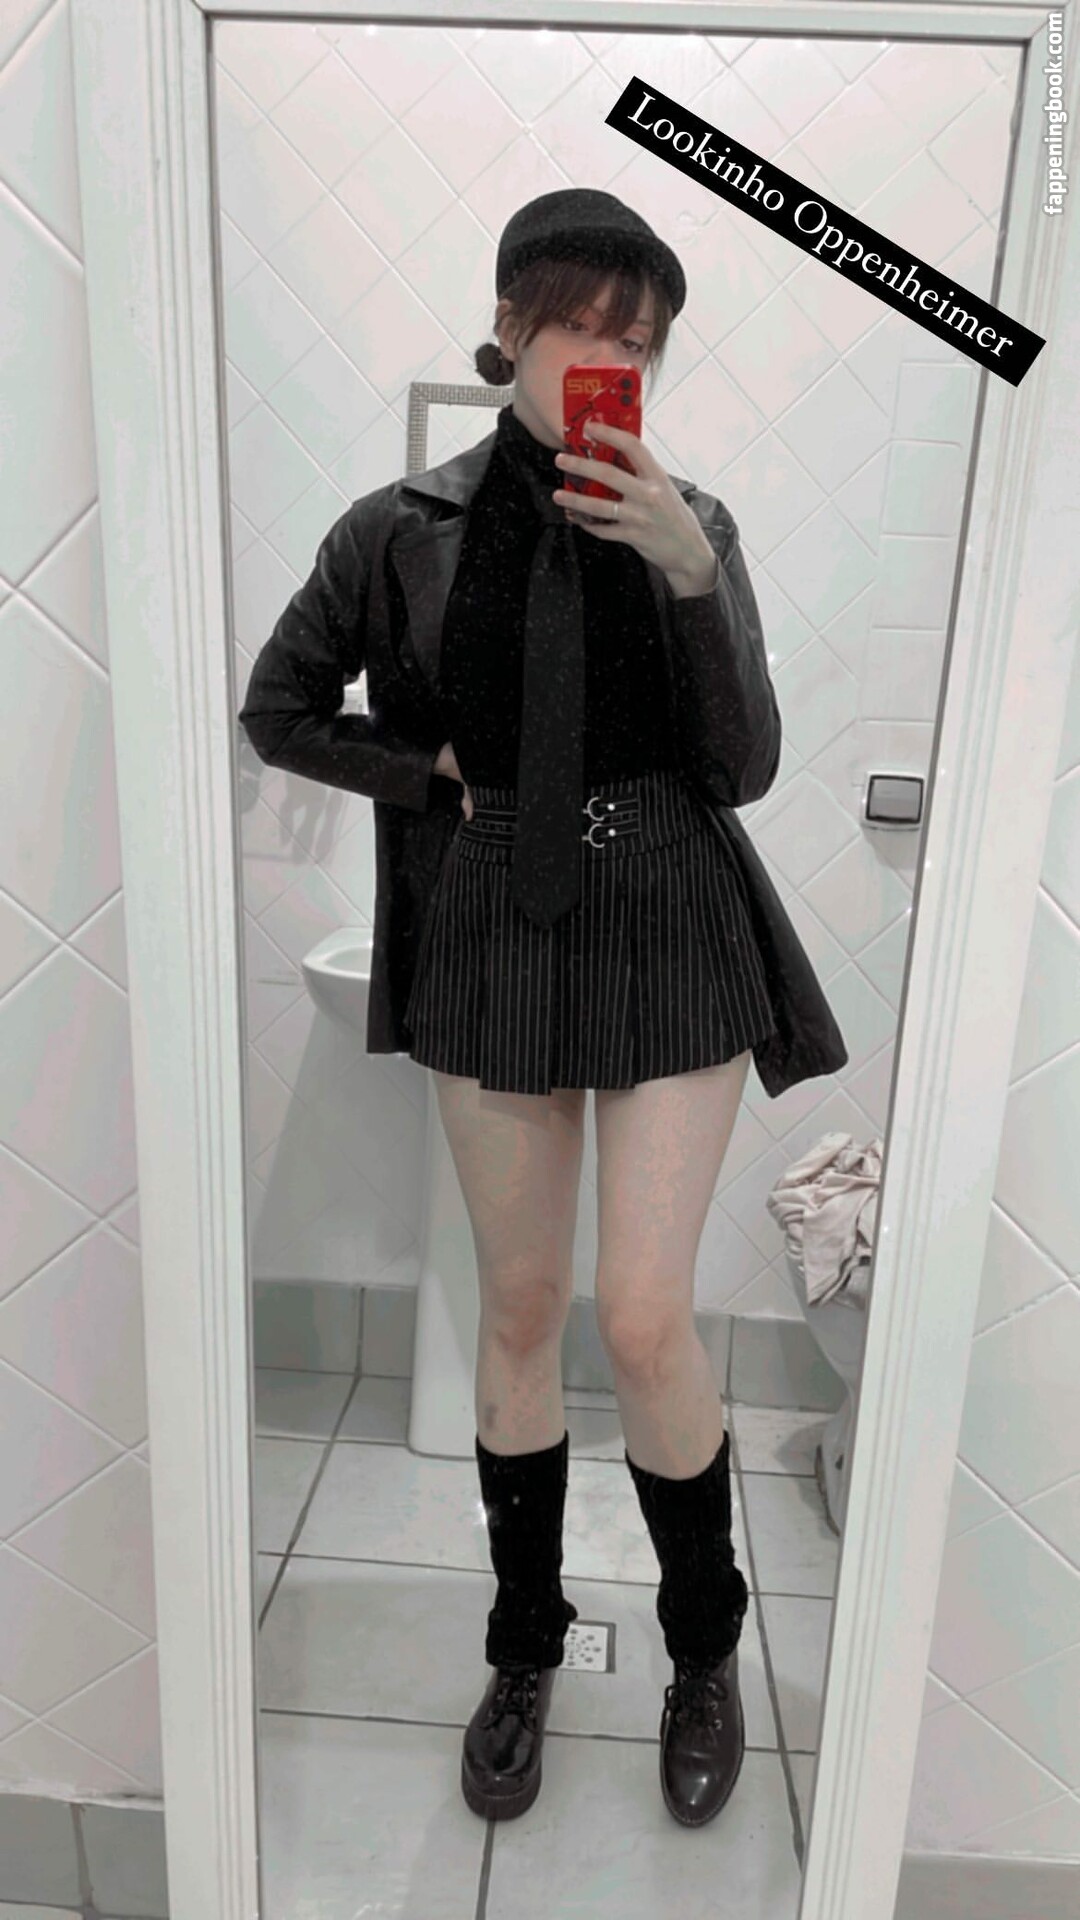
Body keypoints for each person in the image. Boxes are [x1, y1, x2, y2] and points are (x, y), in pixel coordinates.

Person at [239, 188, 846, 1833]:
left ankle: (703, 1651)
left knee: (642, 1318)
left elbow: (745, 765)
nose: (611, 361)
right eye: (585, 327)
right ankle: (525, 1649)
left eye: (641, 342)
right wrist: (423, 765)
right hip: (496, 916)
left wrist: (692, 575)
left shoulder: (693, 522)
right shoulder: (397, 529)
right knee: (516, 1311)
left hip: (667, 912)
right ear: (512, 327)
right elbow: (280, 707)